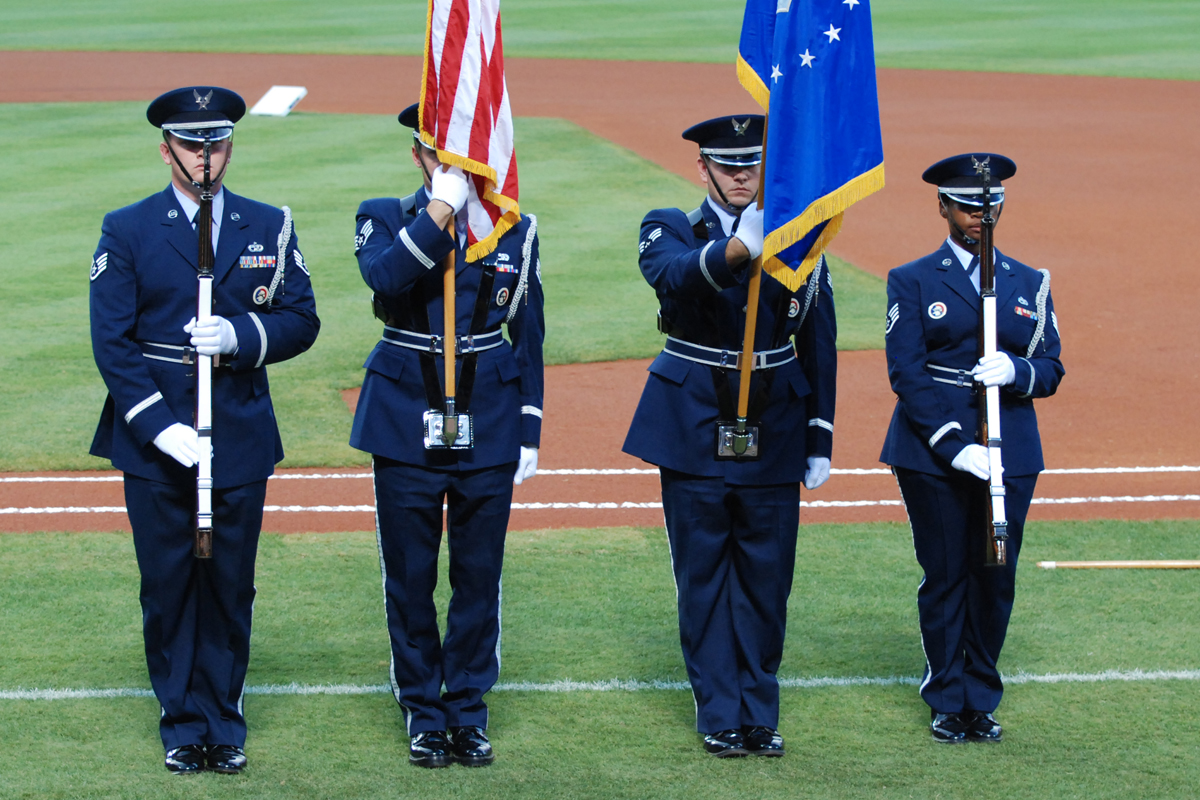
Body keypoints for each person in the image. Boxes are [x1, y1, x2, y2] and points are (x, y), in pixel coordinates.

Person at [88, 86, 320, 773]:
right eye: (192, 145)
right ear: (167, 151)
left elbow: (300, 319)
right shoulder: (127, 229)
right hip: (155, 442)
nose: (205, 158)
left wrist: (241, 335)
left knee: (228, 583)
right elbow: (113, 343)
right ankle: (181, 722)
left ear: (229, 148)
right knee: (166, 583)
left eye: (216, 144)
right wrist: (159, 428)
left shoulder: (267, 223)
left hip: (241, 433)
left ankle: (224, 718)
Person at [623, 115, 837, 758]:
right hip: (691, 419)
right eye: (727, 164)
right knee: (705, 575)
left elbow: (817, 340)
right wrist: (746, 245)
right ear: (703, 170)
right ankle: (719, 710)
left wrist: (820, 434)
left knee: (768, 578)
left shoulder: (796, 243)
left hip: (774, 422)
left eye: (752, 163)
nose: (742, 173)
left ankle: (759, 711)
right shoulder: (669, 226)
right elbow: (675, 276)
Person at [349, 103, 544, 769]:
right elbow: (385, 279)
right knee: (409, 575)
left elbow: (530, 334)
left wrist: (530, 424)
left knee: (477, 574)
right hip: (405, 413)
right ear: (419, 158)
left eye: (461, 154)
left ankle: (466, 709)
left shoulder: (513, 229)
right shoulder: (381, 216)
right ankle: (421, 710)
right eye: (438, 154)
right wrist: (439, 211)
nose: (451, 165)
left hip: (488, 414)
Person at [880, 153, 1064, 743]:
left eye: (990, 206)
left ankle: (979, 697)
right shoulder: (912, 279)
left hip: (1010, 446)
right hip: (932, 448)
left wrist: (1015, 370)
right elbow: (906, 372)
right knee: (945, 572)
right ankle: (945, 695)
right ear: (942, 207)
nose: (980, 216)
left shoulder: (1029, 282)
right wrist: (954, 445)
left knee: (994, 572)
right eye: (966, 206)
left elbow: (1052, 367)